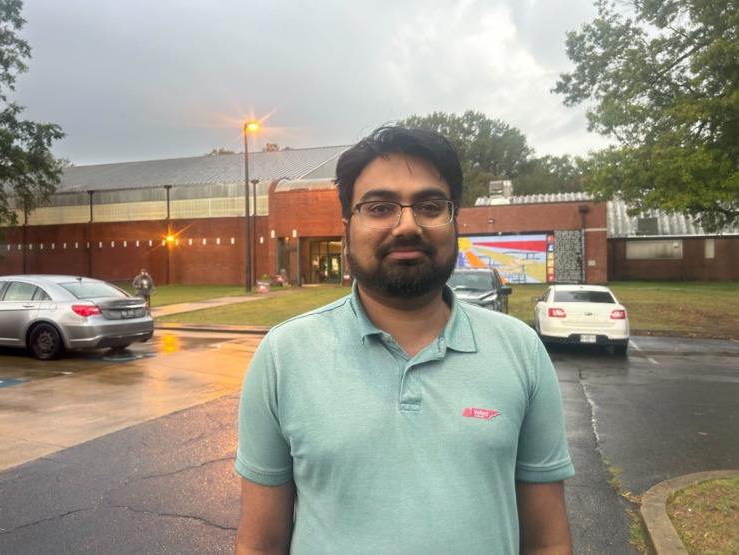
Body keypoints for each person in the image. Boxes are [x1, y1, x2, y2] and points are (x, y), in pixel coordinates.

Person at [235, 126, 575, 554]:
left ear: (454, 222)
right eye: (380, 208)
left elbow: (547, 543)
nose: (408, 225)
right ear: (346, 228)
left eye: (430, 206)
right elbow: (259, 544)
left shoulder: (521, 351)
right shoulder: (283, 356)